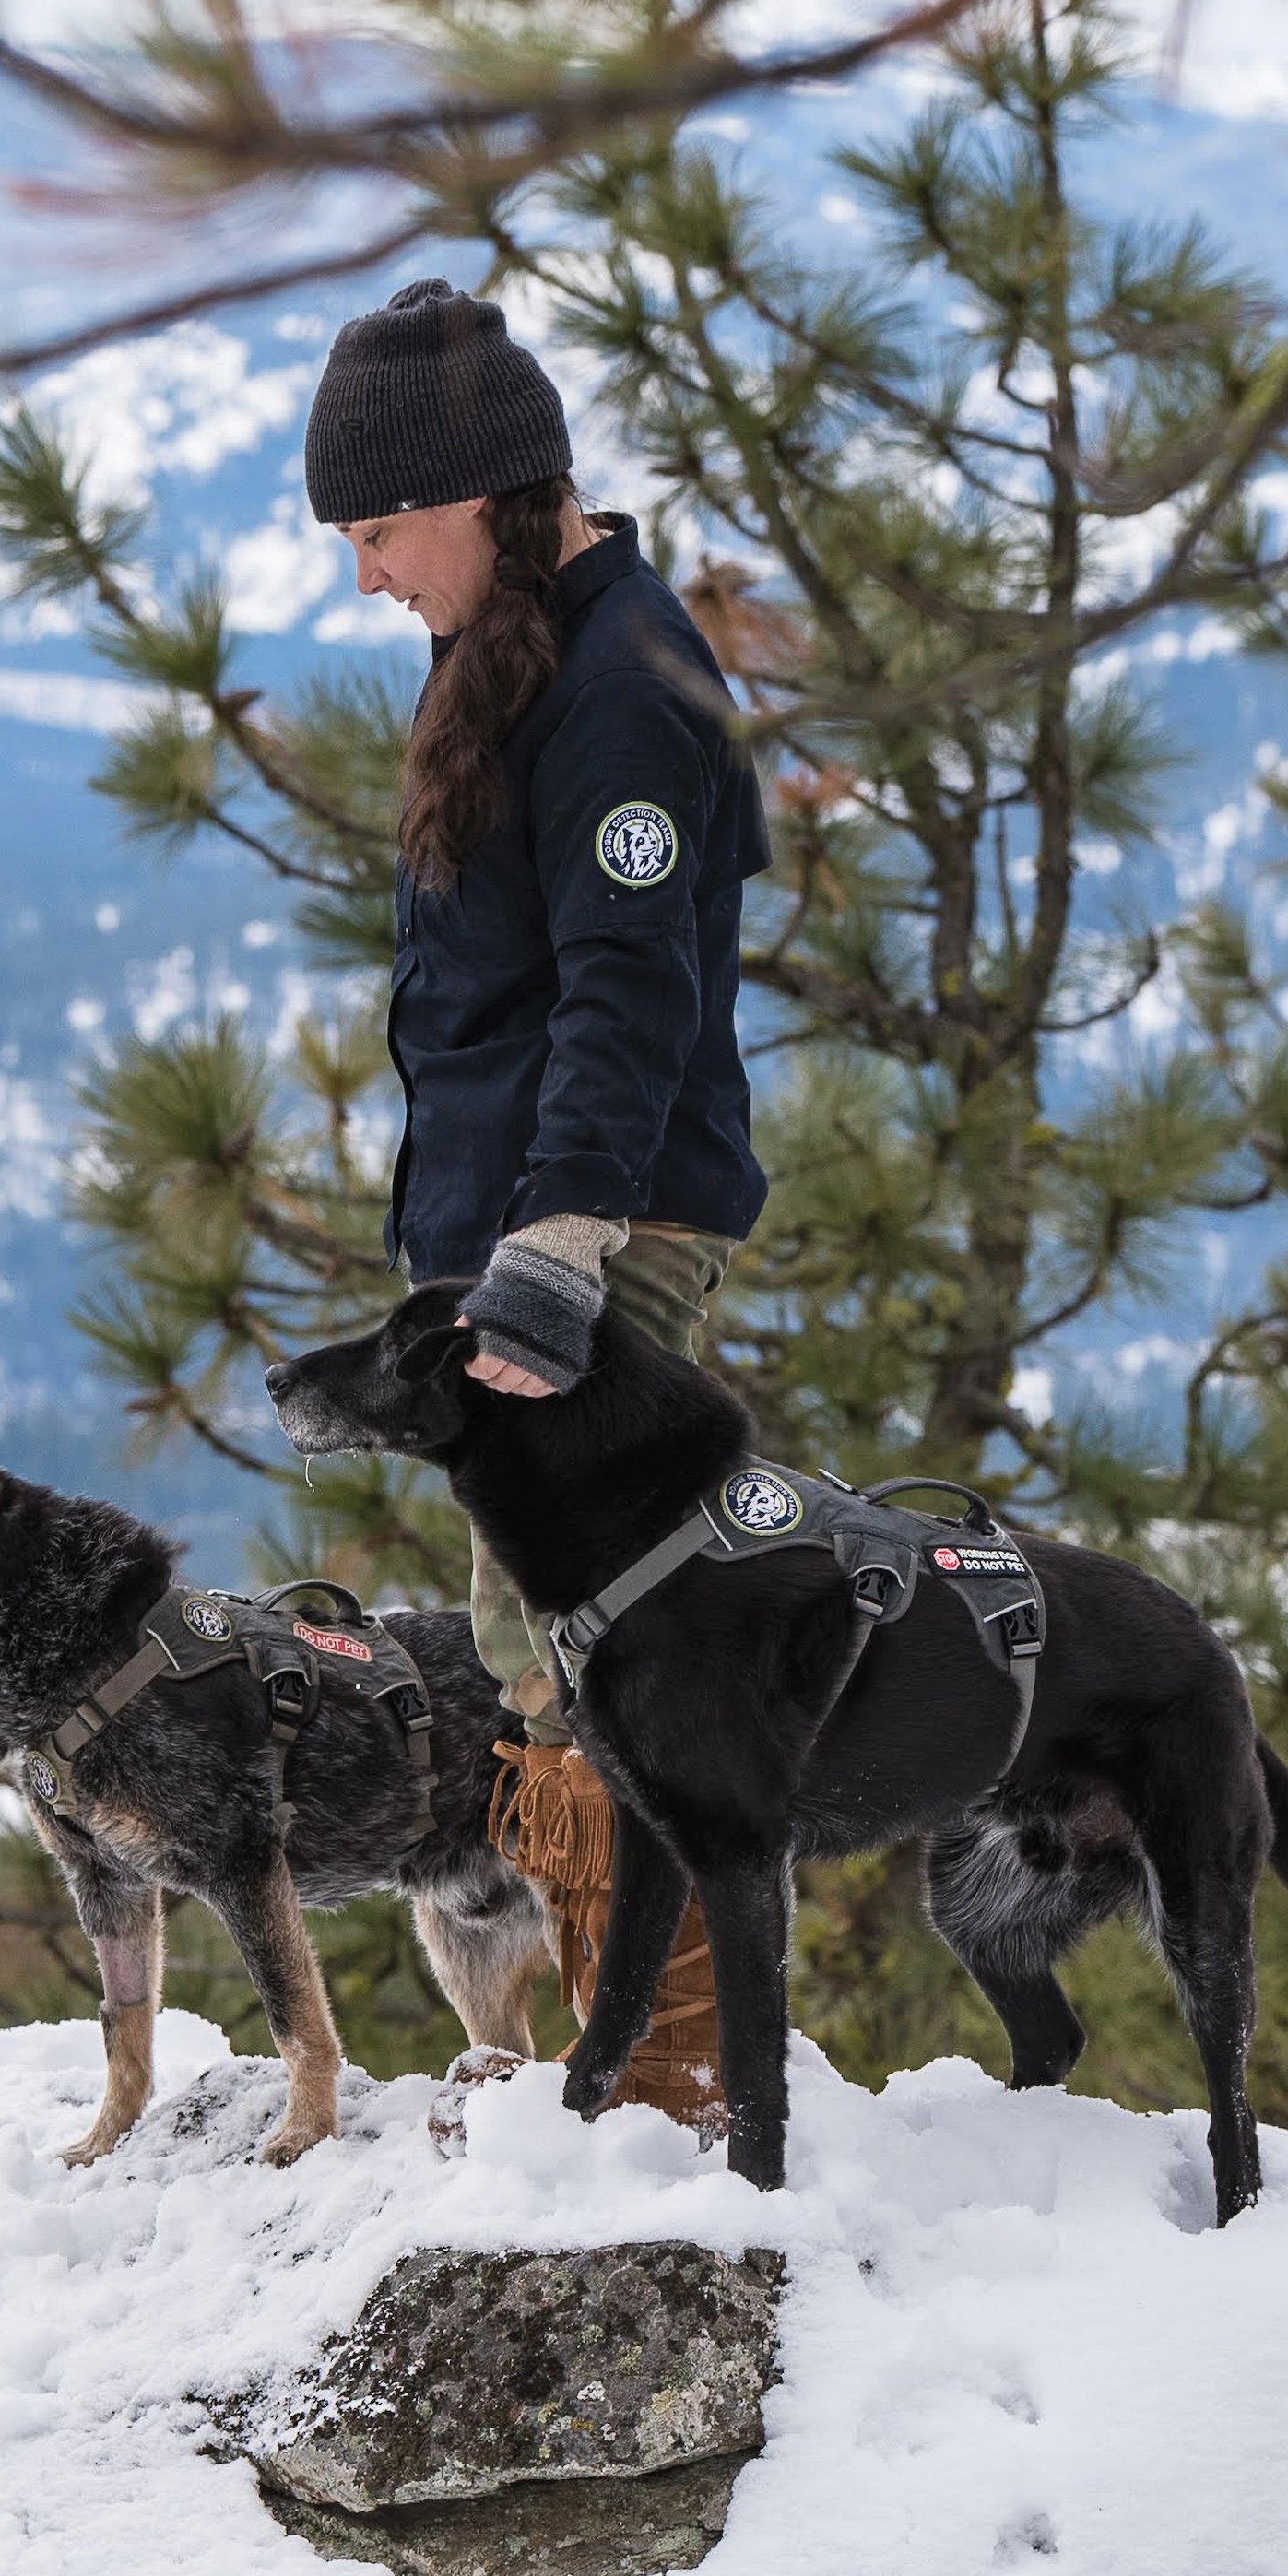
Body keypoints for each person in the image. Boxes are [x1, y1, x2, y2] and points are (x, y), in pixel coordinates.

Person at [301, 275, 769, 2121]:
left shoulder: (624, 685)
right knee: (539, 1636)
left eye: (380, 533)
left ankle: (661, 2078)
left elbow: (629, 985)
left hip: (596, 1233)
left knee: (596, 1641)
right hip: (512, 1236)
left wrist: (559, 1247)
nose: (367, 579)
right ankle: (633, 2053)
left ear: (488, 495)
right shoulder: (509, 649)